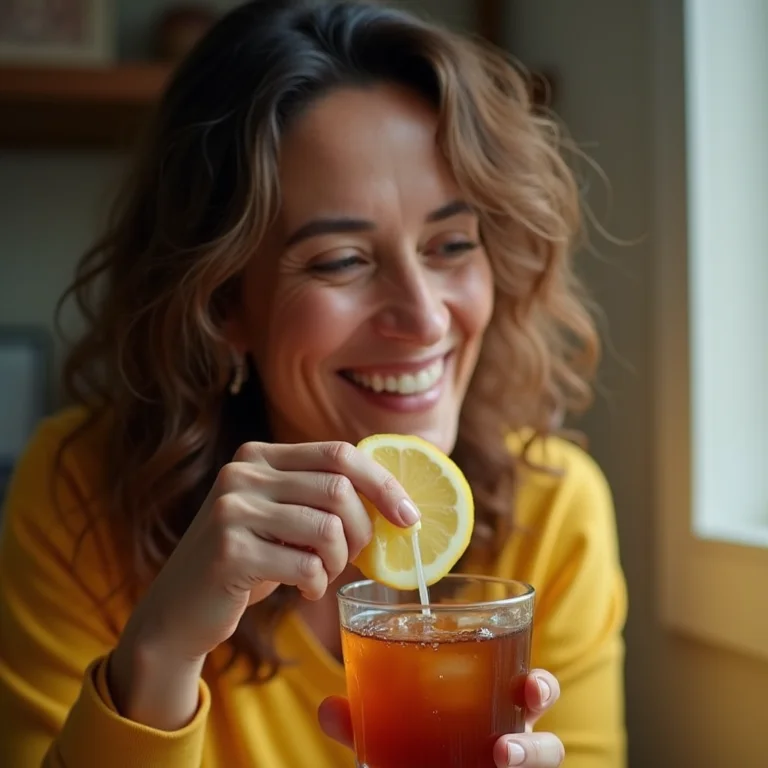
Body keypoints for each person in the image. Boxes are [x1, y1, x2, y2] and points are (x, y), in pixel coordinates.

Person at [0, 1, 627, 766]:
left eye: (452, 244)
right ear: (223, 301)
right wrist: (161, 652)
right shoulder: (82, 491)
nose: (426, 318)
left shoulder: (554, 506)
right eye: (342, 261)